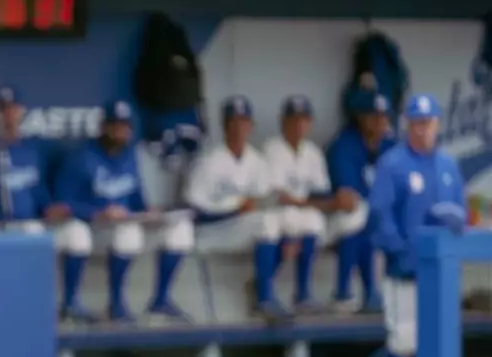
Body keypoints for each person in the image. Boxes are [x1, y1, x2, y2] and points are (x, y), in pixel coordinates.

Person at [368, 94, 466, 357]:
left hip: (441, 272)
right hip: (404, 271)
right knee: (403, 339)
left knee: (437, 340)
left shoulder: (447, 166)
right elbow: (380, 214)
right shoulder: (393, 163)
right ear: (408, 125)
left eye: (428, 123)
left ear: (437, 124)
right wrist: (400, 251)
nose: (423, 129)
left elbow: (459, 215)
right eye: (417, 123)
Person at [55, 99, 192, 323]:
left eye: (125, 126)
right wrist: (97, 212)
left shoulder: (129, 156)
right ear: (103, 127)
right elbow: (61, 204)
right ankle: (115, 305)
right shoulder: (81, 158)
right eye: (115, 126)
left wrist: (150, 212)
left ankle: (160, 300)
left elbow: (136, 197)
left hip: (125, 223)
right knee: (127, 233)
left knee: (180, 229)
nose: (121, 132)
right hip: (95, 228)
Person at [185, 96, 285, 320]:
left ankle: (262, 289)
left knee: (281, 225)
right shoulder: (209, 160)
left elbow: (265, 201)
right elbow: (195, 211)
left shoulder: (257, 161)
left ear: (251, 125)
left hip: (240, 228)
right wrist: (236, 208)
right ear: (224, 126)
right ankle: (264, 299)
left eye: (244, 122)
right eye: (233, 122)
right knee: (265, 223)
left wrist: (246, 209)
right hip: (210, 232)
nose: (239, 128)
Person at [0, 87, 77, 275]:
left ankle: (69, 294)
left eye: (11, 108)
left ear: (20, 111)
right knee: (31, 232)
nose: (7, 115)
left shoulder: (32, 149)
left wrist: (50, 207)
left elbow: (38, 189)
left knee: (75, 235)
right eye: (1, 109)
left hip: (31, 222)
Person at [262, 95, 339, 312]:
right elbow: (278, 195)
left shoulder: (313, 153)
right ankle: (263, 286)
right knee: (291, 222)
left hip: (302, 211)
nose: (299, 125)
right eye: (294, 119)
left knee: (313, 222)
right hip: (275, 211)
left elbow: (322, 192)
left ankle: (303, 293)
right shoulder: (273, 149)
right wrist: (307, 202)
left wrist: (309, 203)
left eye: (304, 120)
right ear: (283, 122)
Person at [325, 90, 394, 312]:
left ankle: (373, 294)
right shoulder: (344, 145)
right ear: (361, 118)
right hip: (334, 217)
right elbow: (348, 198)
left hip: (373, 216)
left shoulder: (390, 145)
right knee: (359, 218)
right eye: (374, 116)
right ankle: (343, 293)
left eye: (384, 117)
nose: (380, 122)